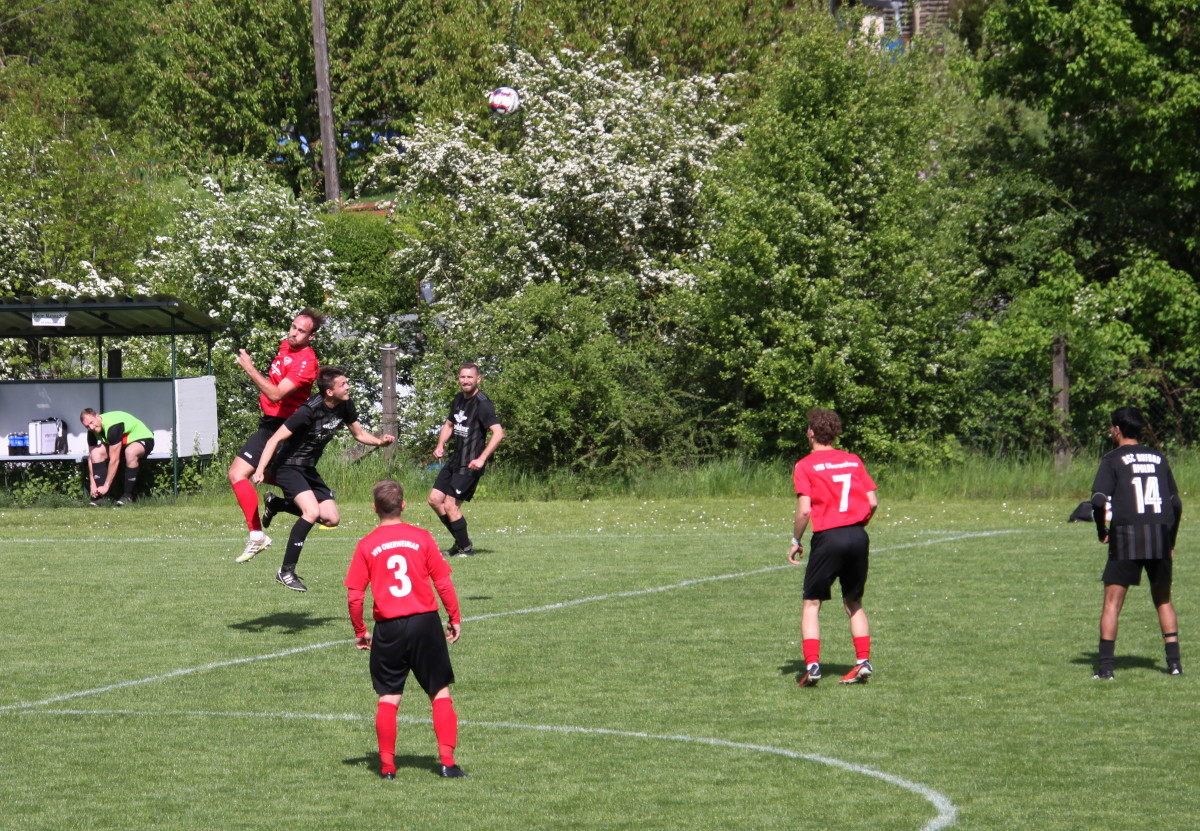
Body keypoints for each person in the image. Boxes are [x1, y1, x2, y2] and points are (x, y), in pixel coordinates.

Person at [345, 479, 467, 779]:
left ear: (374, 508)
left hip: (388, 628)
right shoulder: (422, 538)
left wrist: (360, 630)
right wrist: (454, 617)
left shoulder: (366, 545)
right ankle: (448, 763)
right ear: (403, 505)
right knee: (439, 692)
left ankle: (388, 768)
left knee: (388, 697)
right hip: (425, 623)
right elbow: (443, 582)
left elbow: (355, 596)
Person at [252, 367, 395, 591]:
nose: (348, 387)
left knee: (331, 518)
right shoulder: (308, 410)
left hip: (308, 468)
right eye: (343, 384)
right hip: (287, 466)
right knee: (311, 512)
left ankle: (277, 504)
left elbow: (358, 434)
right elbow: (274, 439)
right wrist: (261, 469)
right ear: (329, 391)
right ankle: (286, 571)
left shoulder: (345, 404)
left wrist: (379, 442)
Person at [1090, 406, 1183, 679]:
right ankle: (1174, 664)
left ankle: (1106, 668)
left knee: (1112, 603)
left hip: (1126, 536)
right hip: (1159, 535)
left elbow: (1098, 499)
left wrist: (1101, 529)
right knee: (1163, 600)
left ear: (1117, 429)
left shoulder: (1112, 459)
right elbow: (1176, 503)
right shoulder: (1159, 458)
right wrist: (1170, 541)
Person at [787, 408, 879, 687]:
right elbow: (872, 501)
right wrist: (858, 523)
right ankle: (863, 661)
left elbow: (805, 510)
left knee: (811, 604)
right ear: (834, 433)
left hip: (829, 538)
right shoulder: (852, 460)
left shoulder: (805, 465)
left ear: (811, 433)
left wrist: (796, 540)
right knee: (854, 602)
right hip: (858, 535)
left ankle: (813, 667)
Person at [230, 309, 324, 565]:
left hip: (287, 428)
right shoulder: (285, 345)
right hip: (270, 423)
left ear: (311, 336)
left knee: (326, 516)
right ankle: (258, 533)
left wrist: (250, 369)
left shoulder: (306, 362)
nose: (294, 333)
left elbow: (275, 394)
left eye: (301, 331)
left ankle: (308, 497)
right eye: (293, 327)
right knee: (240, 474)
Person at [427, 362, 504, 557]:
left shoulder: (483, 404)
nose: (466, 380)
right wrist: (440, 445)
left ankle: (466, 549)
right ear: (458, 379)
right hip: (455, 459)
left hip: (470, 464)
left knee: (450, 505)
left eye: (470, 377)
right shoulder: (458, 399)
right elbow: (449, 425)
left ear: (478, 379)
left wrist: (482, 458)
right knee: (434, 500)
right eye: (462, 377)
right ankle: (461, 542)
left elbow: (498, 433)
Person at [80, 408, 155, 506]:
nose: (91, 427)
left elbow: (114, 460)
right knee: (96, 453)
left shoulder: (113, 427)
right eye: (87, 426)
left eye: (91, 422)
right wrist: (92, 483)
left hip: (143, 438)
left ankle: (128, 496)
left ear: (97, 416)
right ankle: (102, 498)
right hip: (122, 444)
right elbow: (91, 457)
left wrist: (106, 486)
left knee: (130, 452)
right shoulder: (91, 431)